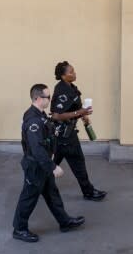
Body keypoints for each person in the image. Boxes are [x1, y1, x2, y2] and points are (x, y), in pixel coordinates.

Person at [12, 83, 85, 243]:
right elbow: (36, 148)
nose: (50, 99)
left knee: (52, 195)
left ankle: (64, 222)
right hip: (36, 166)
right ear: (38, 98)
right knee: (29, 197)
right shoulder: (34, 121)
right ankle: (19, 229)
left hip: (43, 165)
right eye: (48, 97)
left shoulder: (41, 115)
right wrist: (52, 166)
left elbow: (48, 135)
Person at [50, 61, 107, 201]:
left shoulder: (72, 87)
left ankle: (36, 186)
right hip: (64, 135)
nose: (74, 73)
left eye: (74, 70)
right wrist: (79, 112)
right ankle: (88, 192)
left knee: (51, 163)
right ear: (63, 76)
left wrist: (84, 115)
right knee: (78, 163)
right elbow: (56, 115)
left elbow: (75, 108)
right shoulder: (61, 90)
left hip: (64, 135)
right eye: (71, 72)